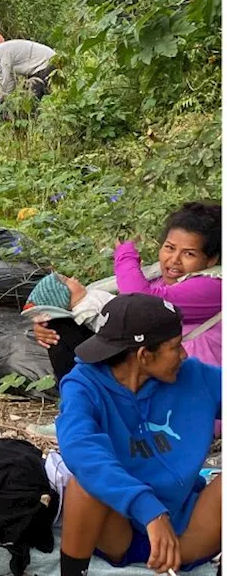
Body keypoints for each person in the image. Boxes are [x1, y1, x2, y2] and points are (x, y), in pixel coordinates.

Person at [55, 294, 221, 576]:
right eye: (176, 346)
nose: (184, 354)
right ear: (144, 355)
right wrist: (148, 510)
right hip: (122, 531)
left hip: (186, 534)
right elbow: (80, 449)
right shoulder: (84, 385)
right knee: (84, 485)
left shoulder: (195, 376)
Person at [35, 202, 222, 373]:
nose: (174, 259)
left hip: (189, 382)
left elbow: (141, 302)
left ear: (211, 259)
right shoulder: (158, 278)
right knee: (60, 327)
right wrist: (48, 325)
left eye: (189, 253)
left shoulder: (214, 287)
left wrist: (125, 255)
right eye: (169, 248)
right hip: (154, 369)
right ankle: (79, 400)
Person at [0, 39, 56, 108]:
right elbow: (11, 82)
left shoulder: (1, 55)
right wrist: (6, 100)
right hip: (41, 64)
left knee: (32, 99)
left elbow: (3, 80)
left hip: (45, 63)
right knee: (28, 97)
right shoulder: (5, 52)